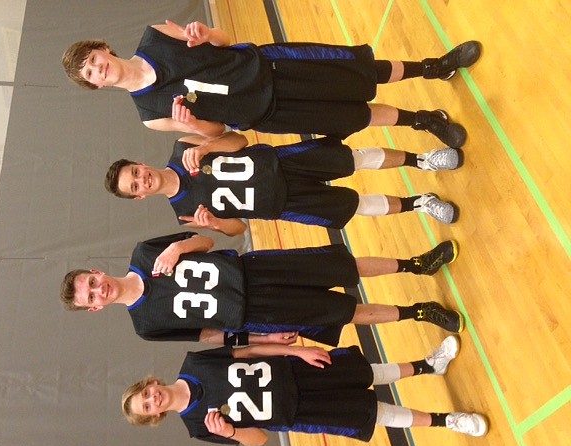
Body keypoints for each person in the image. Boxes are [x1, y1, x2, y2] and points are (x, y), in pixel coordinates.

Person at [62, 20, 481, 147]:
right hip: (267, 112)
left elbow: (223, 39)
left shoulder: (155, 36)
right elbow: (218, 133)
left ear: (104, 48)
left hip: (270, 67)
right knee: (351, 115)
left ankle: (433, 67)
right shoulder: (150, 116)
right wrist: (192, 125)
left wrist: (206, 35)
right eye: (91, 74)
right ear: (96, 87)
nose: (99, 69)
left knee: (357, 69)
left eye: (95, 60)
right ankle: (423, 120)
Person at [60, 232, 464, 347]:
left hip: (254, 270)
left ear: (97, 271)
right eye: (91, 297)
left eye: (92, 283)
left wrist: (179, 246)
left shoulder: (145, 251)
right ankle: (421, 311)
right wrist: (265, 337)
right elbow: (211, 335)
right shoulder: (145, 327)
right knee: (343, 312)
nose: (99, 290)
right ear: (95, 309)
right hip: (257, 312)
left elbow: (206, 241)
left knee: (339, 266)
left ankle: (417, 265)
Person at [121, 336, 488, 446]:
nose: (153, 400)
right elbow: (259, 441)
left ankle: (428, 365)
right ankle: (448, 421)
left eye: (146, 394)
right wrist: (230, 431)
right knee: (374, 412)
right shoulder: (198, 428)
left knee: (368, 371)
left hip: (295, 370)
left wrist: (295, 350)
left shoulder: (194, 364)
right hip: (298, 413)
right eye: (148, 407)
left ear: (151, 384)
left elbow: (248, 352)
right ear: (155, 416)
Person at [105, 132, 462, 233]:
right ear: (139, 198)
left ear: (140, 163)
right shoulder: (183, 213)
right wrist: (213, 223)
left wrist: (209, 146)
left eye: (135, 173)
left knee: (351, 158)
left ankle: (424, 160)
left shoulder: (182, 147)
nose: (142, 180)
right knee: (357, 207)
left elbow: (240, 141)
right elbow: (237, 231)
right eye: (135, 186)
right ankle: (421, 202)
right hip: (282, 206)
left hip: (281, 164)